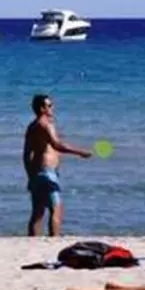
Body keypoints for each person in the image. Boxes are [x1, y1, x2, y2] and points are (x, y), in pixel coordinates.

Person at [24, 93, 92, 238]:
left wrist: (30, 176)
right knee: (56, 209)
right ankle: (54, 240)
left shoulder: (32, 126)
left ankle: (31, 242)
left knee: (38, 212)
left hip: (37, 172)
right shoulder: (46, 124)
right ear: (42, 108)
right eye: (49, 105)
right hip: (47, 172)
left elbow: (26, 154)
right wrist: (80, 152)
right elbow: (57, 145)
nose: (52, 108)